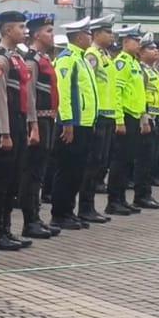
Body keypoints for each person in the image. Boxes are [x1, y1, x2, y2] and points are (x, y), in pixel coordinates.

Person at [0, 11, 37, 249]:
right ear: (7, 30)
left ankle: (6, 229)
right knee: (0, 181)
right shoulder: (0, 59)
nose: (25, 31)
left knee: (12, 180)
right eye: (20, 27)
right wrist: (4, 132)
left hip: (18, 123)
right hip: (4, 126)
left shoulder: (16, 58)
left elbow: (26, 95)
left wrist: (30, 124)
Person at [51, 18, 98, 230]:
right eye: (88, 34)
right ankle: (59, 214)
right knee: (67, 170)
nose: (91, 37)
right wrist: (67, 123)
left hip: (85, 124)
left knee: (77, 171)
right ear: (79, 37)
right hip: (73, 125)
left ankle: (69, 211)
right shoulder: (67, 59)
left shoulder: (81, 59)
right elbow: (64, 93)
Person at [19, 14, 62, 237]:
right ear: (36, 35)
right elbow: (29, 95)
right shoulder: (32, 60)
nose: (52, 35)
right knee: (32, 172)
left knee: (40, 171)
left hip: (48, 119)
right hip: (38, 121)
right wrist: (33, 124)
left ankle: (36, 216)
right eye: (48, 31)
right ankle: (29, 221)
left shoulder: (44, 58)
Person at [79, 15, 117, 224]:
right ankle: (85, 207)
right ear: (96, 34)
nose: (111, 36)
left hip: (108, 115)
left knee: (101, 162)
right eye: (107, 32)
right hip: (97, 116)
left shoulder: (105, 55)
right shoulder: (92, 55)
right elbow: (87, 87)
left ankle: (91, 206)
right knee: (92, 163)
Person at [106, 25, 146, 215]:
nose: (139, 44)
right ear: (125, 42)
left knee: (128, 160)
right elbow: (117, 93)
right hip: (126, 116)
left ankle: (122, 198)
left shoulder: (133, 62)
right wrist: (119, 120)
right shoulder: (121, 62)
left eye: (139, 41)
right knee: (120, 160)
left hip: (135, 115)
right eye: (135, 41)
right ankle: (113, 200)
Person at [136, 38, 159, 209]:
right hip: (148, 120)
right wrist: (144, 118)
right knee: (144, 160)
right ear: (141, 52)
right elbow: (141, 96)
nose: (155, 51)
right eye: (150, 49)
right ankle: (142, 195)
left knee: (152, 159)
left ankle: (146, 194)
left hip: (157, 119)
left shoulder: (154, 71)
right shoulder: (141, 70)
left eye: (156, 49)